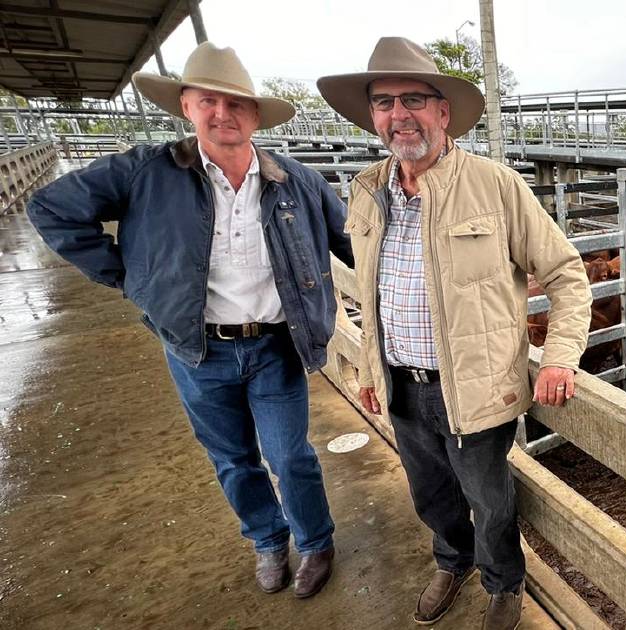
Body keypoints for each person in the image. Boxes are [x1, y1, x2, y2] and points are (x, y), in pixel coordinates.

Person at [27, 42, 353, 599]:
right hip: (197, 348)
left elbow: (356, 244)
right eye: (209, 102)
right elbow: (51, 208)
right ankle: (268, 542)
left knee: (289, 455)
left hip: (276, 344)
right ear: (186, 107)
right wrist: (129, 277)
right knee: (231, 458)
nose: (222, 114)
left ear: (255, 116)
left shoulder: (295, 180)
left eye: (236, 105)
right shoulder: (145, 171)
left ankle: (316, 542)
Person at [317, 37, 591, 630]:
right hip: (400, 380)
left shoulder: (496, 185)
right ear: (372, 117)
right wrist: (368, 367)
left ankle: (502, 582)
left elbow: (567, 273)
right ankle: (452, 560)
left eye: (414, 98)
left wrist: (560, 358)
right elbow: (371, 293)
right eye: (385, 102)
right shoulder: (366, 190)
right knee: (430, 494)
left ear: (444, 112)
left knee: (490, 502)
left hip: (475, 385)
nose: (400, 114)